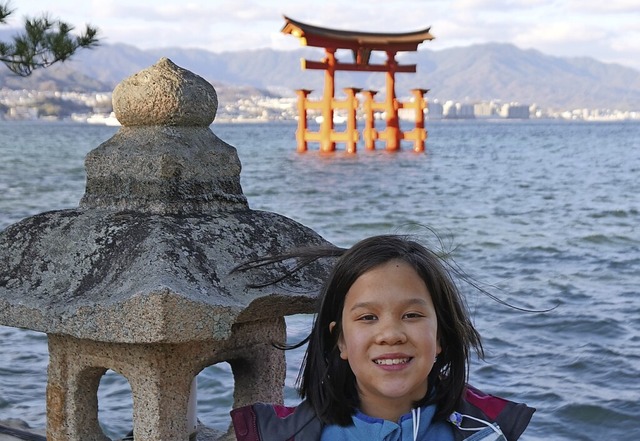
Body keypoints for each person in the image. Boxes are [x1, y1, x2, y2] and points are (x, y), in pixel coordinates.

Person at [231, 235, 535, 441]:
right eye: (367, 317)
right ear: (341, 342)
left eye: (412, 315)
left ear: (441, 335)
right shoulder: (285, 434)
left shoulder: (486, 431)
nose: (390, 335)